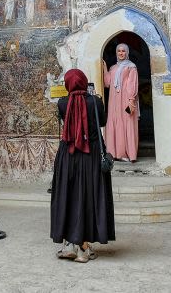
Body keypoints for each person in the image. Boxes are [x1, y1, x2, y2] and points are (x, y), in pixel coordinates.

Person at [51, 69, 115, 263]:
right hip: (91, 155)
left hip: (68, 156)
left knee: (68, 196)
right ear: (85, 82)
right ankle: (84, 247)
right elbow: (102, 121)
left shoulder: (62, 103)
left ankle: (70, 243)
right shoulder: (95, 102)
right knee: (88, 197)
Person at [102, 44, 139, 162]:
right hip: (114, 101)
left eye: (123, 51)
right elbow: (107, 83)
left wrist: (131, 100)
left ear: (127, 52)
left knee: (126, 123)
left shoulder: (131, 67)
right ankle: (114, 153)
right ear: (116, 52)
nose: (121, 53)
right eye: (119, 51)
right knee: (115, 122)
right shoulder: (113, 68)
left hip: (125, 100)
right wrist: (105, 68)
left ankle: (127, 153)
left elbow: (132, 84)